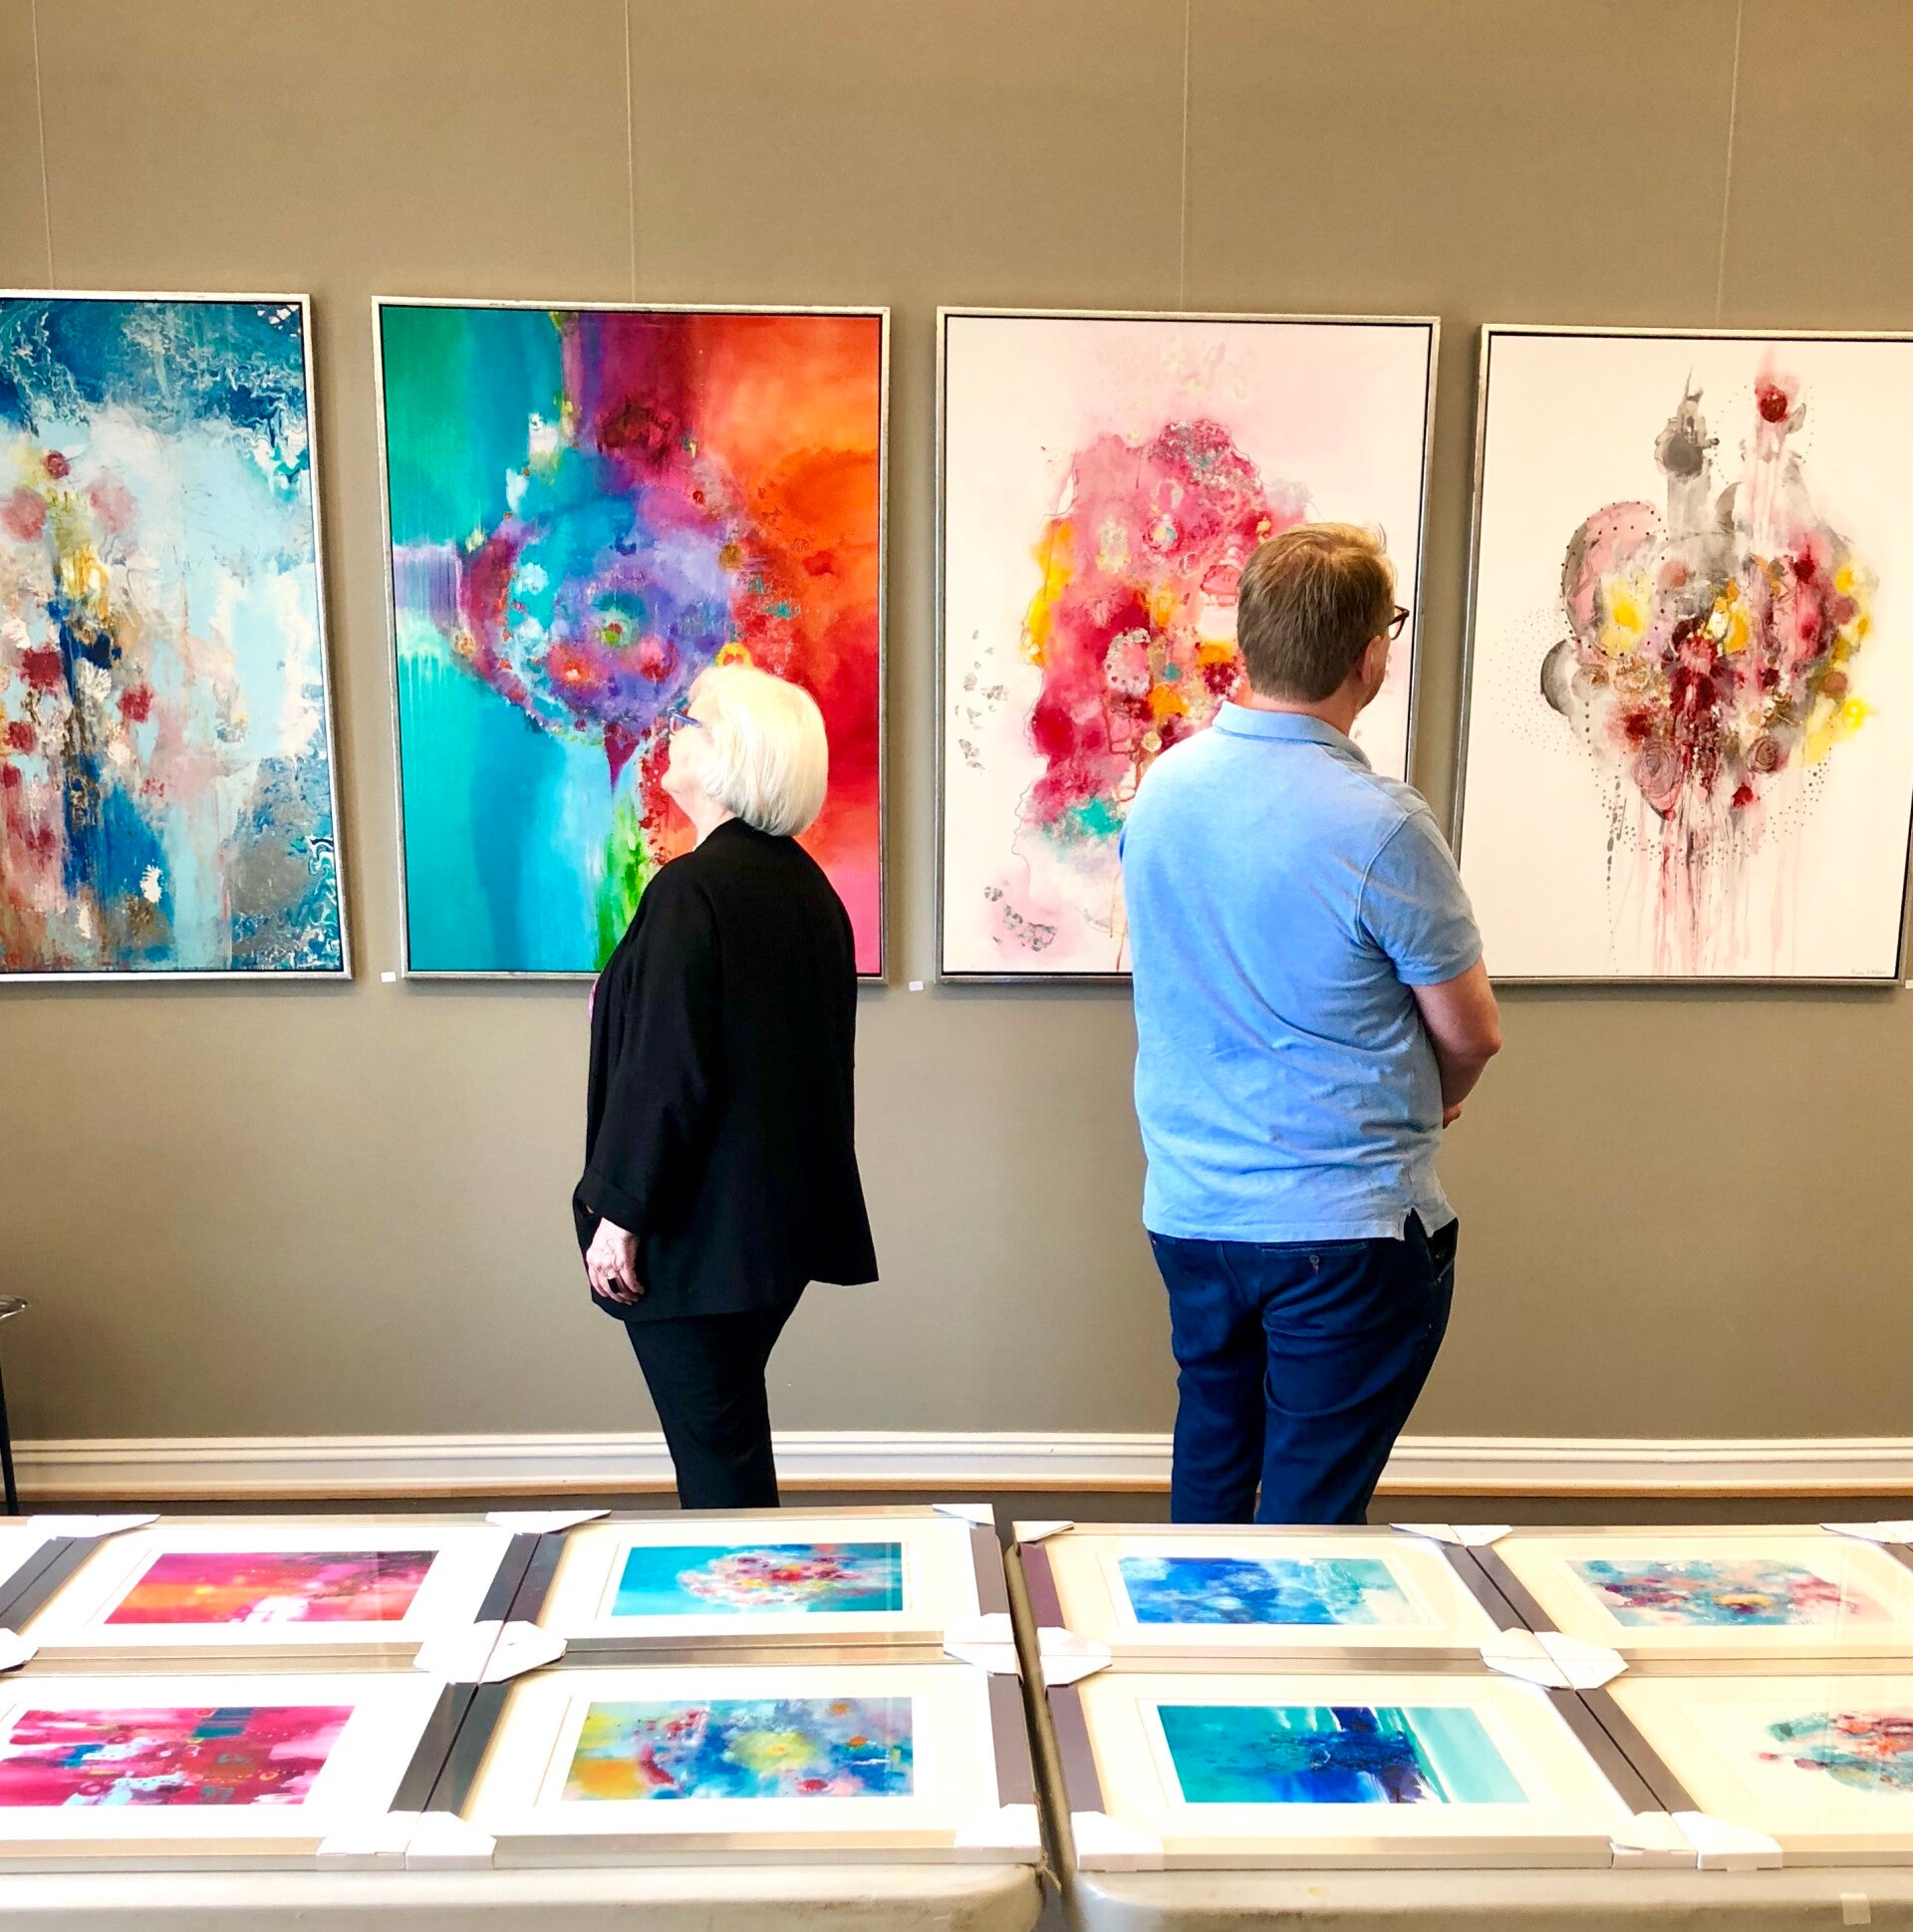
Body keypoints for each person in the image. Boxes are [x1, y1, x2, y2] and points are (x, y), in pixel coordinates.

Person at [1121, 522, 1501, 1525]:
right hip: (1343, 1231)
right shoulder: (1381, 824)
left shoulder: (1162, 794)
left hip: (1194, 1211)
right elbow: (1472, 1031)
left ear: (1248, 641)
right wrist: (1442, 1099)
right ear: (1370, 657)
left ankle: (1188, 1630)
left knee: (1210, 1481)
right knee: (1308, 1529)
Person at [575, 662, 877, 1511]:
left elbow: (668, 1071)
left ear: (732, 756)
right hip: (769, 1237)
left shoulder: (692, 890)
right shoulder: (808, 892)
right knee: (728, 1441)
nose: (674, 734)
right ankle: (754, 1582)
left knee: (719, 1469)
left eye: (692, 723)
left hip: (696, 1234)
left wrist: (619, 1214)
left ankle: (746, 1588)